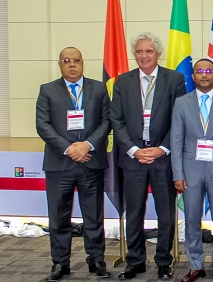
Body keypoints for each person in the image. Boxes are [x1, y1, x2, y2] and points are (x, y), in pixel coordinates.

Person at [111, 32, 186, 280]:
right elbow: (116, 120)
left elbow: (179, 119)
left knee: (166, 213)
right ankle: (135, 261)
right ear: (135, 55)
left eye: (149, 51)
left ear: (158, 54)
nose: (144, 56)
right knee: (134, 212)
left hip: (163, 159)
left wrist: (162, 148)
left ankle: (164, 261)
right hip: (133, 158)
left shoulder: (174, 79)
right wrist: (134, 150)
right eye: (139, 52)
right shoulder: (122, 81)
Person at [36, 47, 112, 282]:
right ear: (59, 64)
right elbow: (43, 125)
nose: (72, 65)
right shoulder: (48, 90)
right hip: (60, 164)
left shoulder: (98, 88)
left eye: (76, 61)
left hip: (90, 161)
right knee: (59, 216)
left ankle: (96, 260)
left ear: (82, 63)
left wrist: (87, 145)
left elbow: (106, 121)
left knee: (94, 214)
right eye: (66, 61)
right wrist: (70, 148)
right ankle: (60, 263)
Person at [171, 58, 213, 282]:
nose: (204, 74)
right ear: (192, 76)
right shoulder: (181, 103)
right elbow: (176, 141)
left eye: (208, 71)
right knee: (191, 219)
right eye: (199, 71)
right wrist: (178, 174)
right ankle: (195, 264)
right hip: (190, 171)